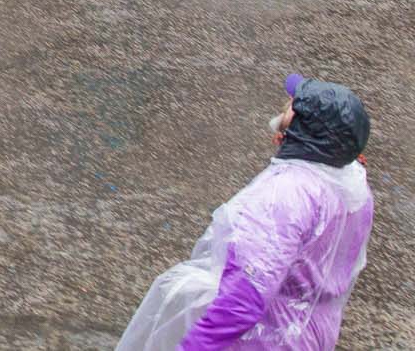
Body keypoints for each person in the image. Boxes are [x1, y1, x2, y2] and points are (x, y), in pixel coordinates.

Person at [118, 74, 372, 350]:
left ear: (307, 127)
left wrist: (194, 347)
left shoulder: (283, 195)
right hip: (314, 334)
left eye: (294, 106)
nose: (288, 103)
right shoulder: (353, 188)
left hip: (267, 340)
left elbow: (245, 297)